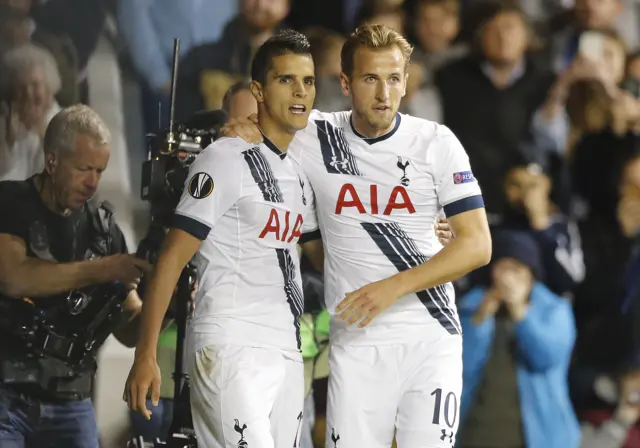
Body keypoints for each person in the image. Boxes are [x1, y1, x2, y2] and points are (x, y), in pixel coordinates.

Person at [222, 23, 492, 448]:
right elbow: (258, 120)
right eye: (370, 79)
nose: (384, 93)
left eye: (394, 79)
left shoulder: (436, 143)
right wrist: (245, 128)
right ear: (345, 82)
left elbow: (478, 244)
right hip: (356, 345)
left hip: (430, 336)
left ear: (406, 81)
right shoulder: (315, 135)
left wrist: (392, 286)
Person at [124, 30, 319, 448]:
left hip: (286, 348)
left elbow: (324, 251)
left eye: (308, 81)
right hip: (230, 345)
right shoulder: (224, 159)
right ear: (259, 90)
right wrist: (144, 356)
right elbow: (171, 259)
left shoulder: (301, 167)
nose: (300, 91)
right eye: (286, 79)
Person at [0, 104, 151, 448]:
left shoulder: (106, 233)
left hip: (71, 400)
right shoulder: (10, 202)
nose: (93, 182)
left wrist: (169, 304)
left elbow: (129, 327)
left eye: (100, 170)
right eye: (84, 168)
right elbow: (13, 277)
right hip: (7, 395)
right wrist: (105, 268)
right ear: (52, 161)